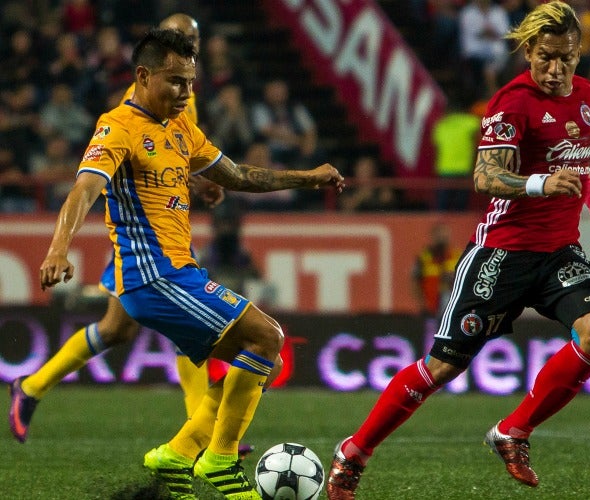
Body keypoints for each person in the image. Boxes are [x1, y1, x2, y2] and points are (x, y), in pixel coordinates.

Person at [326, 3, 590, 498]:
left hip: (558, 254)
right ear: (528, 51)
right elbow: (486, 177)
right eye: (546, 57)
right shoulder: (512, 103)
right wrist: (539, 183)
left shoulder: (588, 97)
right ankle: (354, 451)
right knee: (441, 366)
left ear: (579, 54)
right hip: (500, 254)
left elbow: (581, 170)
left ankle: (513, 431)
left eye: (567, 59)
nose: (556, 70)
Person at [35, 27, 342, 499]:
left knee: (254, 357)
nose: (184, 93)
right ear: (142, 75)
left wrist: (308, 178)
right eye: (175, 81)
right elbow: (85, 189)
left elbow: (237, 175)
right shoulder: (118, 126)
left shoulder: (180, 128)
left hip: (179, 272)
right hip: (153, 276)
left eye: (191, 83)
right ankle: (218, 459)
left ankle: (178, 454)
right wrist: (59, 247)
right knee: (266, 337)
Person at [8, 14, 238, 448]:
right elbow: (123, 161)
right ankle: (200, 428)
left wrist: (197, 181)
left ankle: (31, 387)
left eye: (194, 37)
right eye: (181, 37)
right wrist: (59, 247)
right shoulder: (140, 100)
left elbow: (173, 156)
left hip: (166, 226)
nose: (189, 43)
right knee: (180, 318)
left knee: (116, 330)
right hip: (144, 235)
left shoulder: (184, 91)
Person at [411, 222, 462, 318]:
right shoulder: (424, 257)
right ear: (433, 237)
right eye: (439, 235)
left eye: (444, 235)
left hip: (452, 306)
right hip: (430, 307)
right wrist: (421, 304)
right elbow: (415, 281)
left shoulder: (457, 256)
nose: (442, 238)